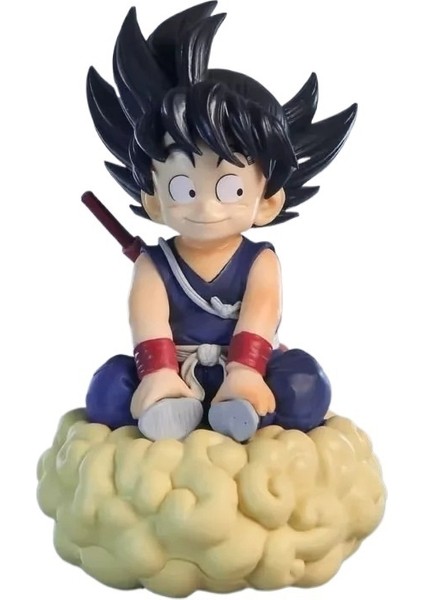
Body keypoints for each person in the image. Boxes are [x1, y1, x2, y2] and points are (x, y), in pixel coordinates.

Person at [85, 1, 357, 442]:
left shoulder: (259, 261)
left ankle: (242, 412)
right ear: (154, 199)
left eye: (229, 188)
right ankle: (171, 410)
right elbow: (148, 321)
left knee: (305, 383)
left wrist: (246, 369)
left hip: (248, 370)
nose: (206, 208)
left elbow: (260, 314)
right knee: (109, 390)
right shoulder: (153, 265)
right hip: (174, 370)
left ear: (266, 202)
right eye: (183, 188)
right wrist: (158, 371)